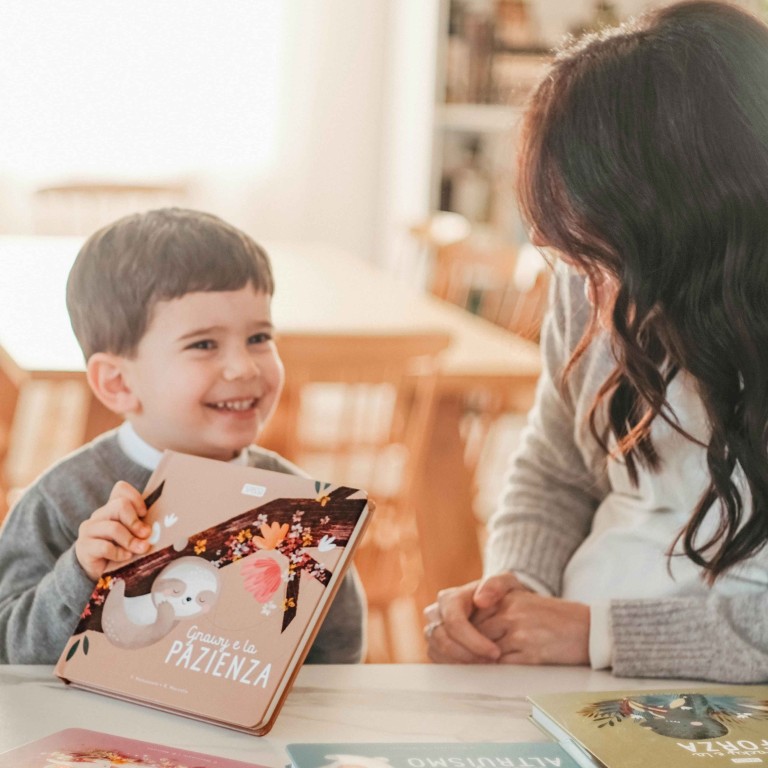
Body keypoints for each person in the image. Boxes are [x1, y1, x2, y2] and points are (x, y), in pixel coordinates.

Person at [424, 0, 768, 682]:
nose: (582, 293)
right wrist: (514, 589)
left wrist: (603, 634)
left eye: (601, 260)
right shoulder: (588, 283)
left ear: (696, 223)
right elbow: (553, 471)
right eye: (571, 259)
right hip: (577, 679)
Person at [0, 207, 365, 664]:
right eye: (204, 345)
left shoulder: (297, 504)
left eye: (259, 337)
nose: (244, 367)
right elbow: (9, 656)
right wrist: (79, 573)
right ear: (118, 383)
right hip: (88, 734)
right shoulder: (62, 501)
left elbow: (338, 651)